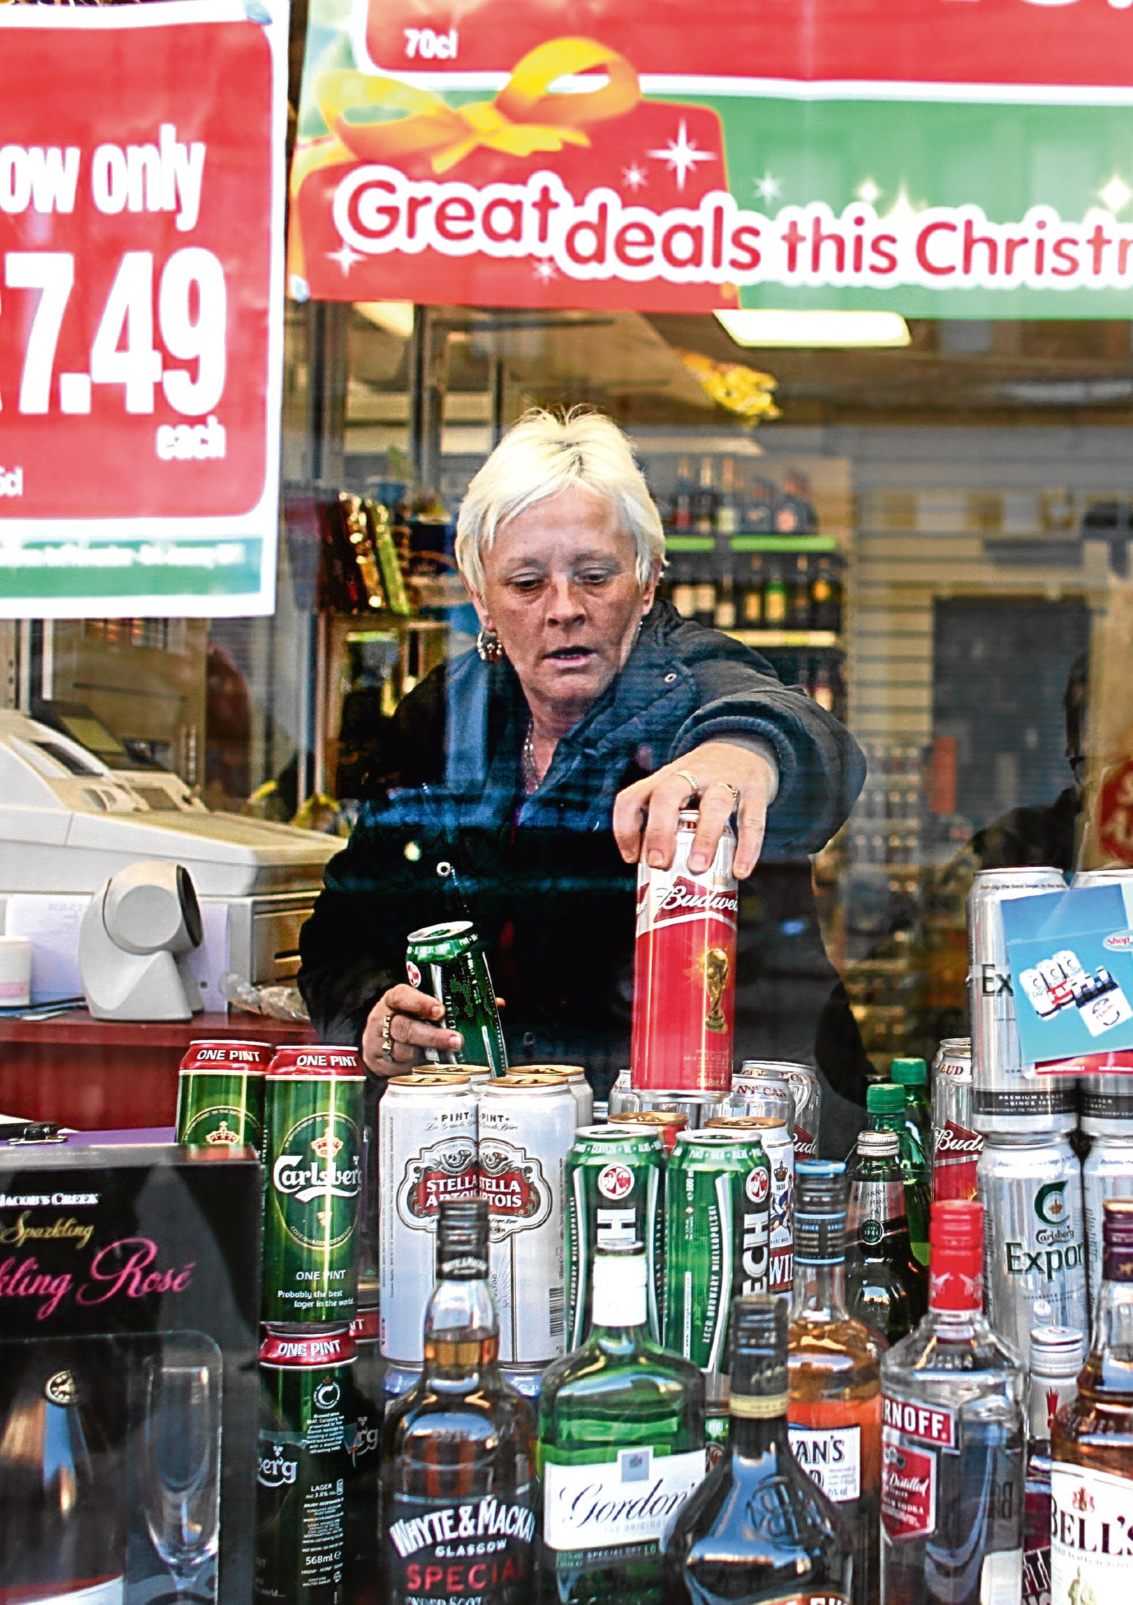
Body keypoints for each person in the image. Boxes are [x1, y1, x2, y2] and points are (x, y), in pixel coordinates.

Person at [297, 409, 873, 1149]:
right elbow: (340, 935)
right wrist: (373, 1017)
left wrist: (739, 759)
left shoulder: (697, 679)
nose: (563, 608)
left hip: (721, 1153)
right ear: (481, 599)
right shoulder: (444, 716)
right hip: (499, 1157)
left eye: (594, 575)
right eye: (527, 582)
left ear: (646, 580)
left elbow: (795, 730)